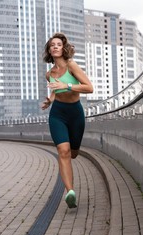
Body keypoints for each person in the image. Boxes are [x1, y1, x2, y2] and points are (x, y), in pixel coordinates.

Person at [41, 32, 93, 208]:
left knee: (73, 153)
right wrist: (50, 100)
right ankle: (70, 192)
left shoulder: (71, 65)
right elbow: (55, 91)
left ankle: (70, 186)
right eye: (52, 45)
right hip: (57, 114)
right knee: (63, 151)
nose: (55, 46)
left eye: (58, 44)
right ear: (49, 50)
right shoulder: (50, 74)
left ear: (63, 48)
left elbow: (89, 87)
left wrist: (67, 85)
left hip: (75, 113)